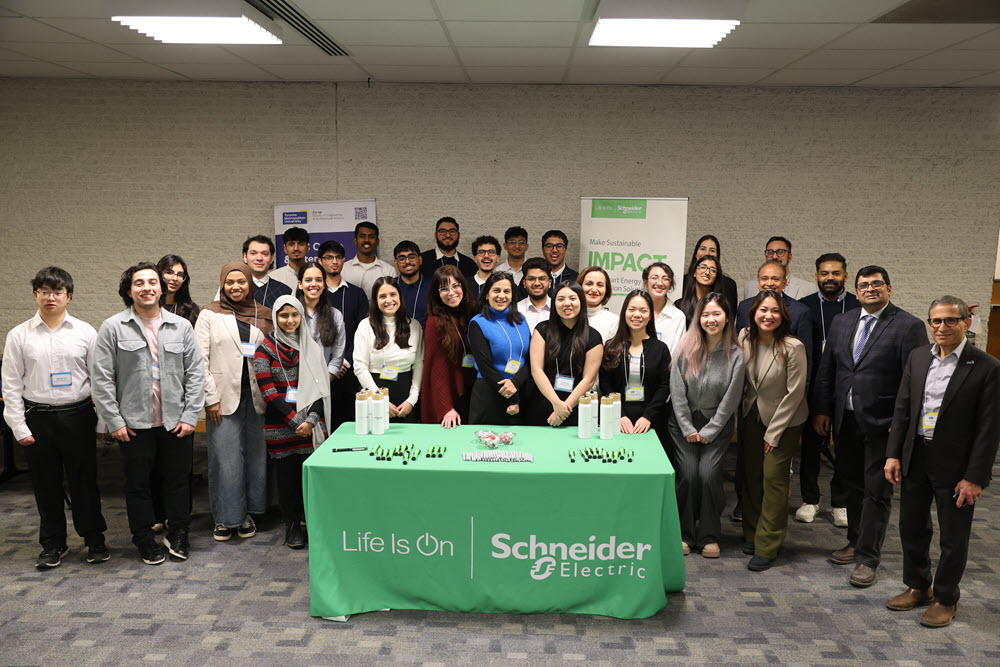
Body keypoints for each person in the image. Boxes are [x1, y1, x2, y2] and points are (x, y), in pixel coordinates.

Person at [882, 296, 1000, 627]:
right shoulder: (919, 357)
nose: (942, 327)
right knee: (912, 526)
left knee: (953, 534)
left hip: (957, 464)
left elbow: (989, 430)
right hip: (916, 455)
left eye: (950, 320)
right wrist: (893, 453)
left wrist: (975, 478)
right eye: (935, 321)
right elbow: (902, 409)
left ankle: (946, 598)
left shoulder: (987, 367)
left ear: (966, 323)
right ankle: (919, 586)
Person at [814, 265, 927, 588]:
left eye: (877, 284)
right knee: (852, 484)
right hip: (845, 419)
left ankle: (868, 558)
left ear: (889, 289)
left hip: (885, 425)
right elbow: (828, 370)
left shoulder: (908, 326)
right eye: (864, 285)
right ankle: (855, 541)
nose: (870, 289)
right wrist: (822, 410)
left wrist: (903, 425)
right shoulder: (842, 321)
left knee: (877, 492)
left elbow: (914, 381)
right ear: (856, 289)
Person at [91, 262, 205, 565]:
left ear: (162, 287)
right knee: (138, 484)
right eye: (139, 283)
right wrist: (113, 421)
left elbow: (196, 373)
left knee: (178, 481)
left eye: (152, 282)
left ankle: (178, 532)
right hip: (133, 423)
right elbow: (102, 379)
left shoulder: (180, 326)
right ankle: (144, 540)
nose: (147, 288)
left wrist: (190, 415)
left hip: (175, 421)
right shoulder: (113, 327)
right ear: (129, 290)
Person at [2, 267, 109, 569]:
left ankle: (94, 539)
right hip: (38, 417)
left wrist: (102, 421)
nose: (51, 297)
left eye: (57, 292)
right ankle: (53, 544)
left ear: (69, 296)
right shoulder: (19, 335)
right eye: (45, 291)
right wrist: (18, 425)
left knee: (84, 481)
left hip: (77, 415)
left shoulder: (86, 332)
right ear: (35, 294)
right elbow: (10, 384)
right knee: (45, 484)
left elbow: (99, 379)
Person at [195, 262, 272, 543]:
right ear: (222, 285)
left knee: (253, 457)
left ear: (250, 283)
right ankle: (226, 518)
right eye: (230, 282)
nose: (236, 287)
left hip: (256, 397)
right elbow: (198, 360)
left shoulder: (263, 314)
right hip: (221, 398)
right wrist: (210, 399)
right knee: (225, 459)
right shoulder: (209, 314)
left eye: (241, 282)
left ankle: (247, 513)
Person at [668, 291, 745, 559]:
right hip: (683, 424)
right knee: (688, 474)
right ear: (698, 317)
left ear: (726, 318)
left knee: (708, 474)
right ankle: (684, 534)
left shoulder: (735, 354)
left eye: (717, 314)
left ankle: (710, 535)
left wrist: (710, 430)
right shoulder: (684, 347)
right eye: (706, 314)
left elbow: (732, 398)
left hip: (718, 425)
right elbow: (677, 391)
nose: (711, 319)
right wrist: (688, 428)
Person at [739, 290, 808, 571]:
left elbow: (795, 393)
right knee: (752, 475)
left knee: (773, 479)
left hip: (785, 419)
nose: (768, 316)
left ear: (783, 316)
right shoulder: (745, 337)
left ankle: (768, 544)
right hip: (752, 413)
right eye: (763, 310)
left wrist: (773, 433)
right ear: (753, 312)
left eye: (775, 311)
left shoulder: (793, 346)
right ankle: (752, 534)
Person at [254, 296, 329, 549]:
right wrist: (295, 420)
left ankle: (313, 521)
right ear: (275, 317)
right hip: (280, 425)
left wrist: (310, 420)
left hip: (311, 425)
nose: (289, 320)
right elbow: (268, 391)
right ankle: (292, 525)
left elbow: (322, 389)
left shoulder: (312, 346)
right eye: (284, 315)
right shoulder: (264, 348)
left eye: (294, 315)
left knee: (310, 477)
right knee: (286, 478)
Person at [796, 253, 860, 526]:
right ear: (816, 276)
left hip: (847, 389)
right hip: (813, 388)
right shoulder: (803, 307)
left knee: (846, 448)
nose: (830, 278)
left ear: (845, 275)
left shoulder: (858, 306)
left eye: (835, 273)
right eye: (824, 273)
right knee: (811, 448)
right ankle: (809, 500)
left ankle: (840, 503)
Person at [528, 281, 603, 427]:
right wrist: (556, 404)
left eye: (573, 299)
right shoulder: (542, 330)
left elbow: (589, 379)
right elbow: (536, 370)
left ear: (581, 301)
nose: (567, 304)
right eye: (561, 299)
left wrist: (563, 409)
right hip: (543, 402)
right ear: (554, 303)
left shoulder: (593, 336)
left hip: (576, 406)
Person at [599, 290, 671, 438]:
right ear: (624, 312)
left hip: (651, 422)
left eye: (643, 310)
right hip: (616, 420)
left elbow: (665, 386)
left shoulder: (660, 349)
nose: (637, 315)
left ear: (650, 315)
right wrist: (619, 415)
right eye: (631, 309)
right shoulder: (611, 347)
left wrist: (647, 417)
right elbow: (606, 384)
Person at [353, 277, 424, 422]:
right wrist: (379, 400)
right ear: (375, 300)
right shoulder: (365, 326)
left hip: (406, 397)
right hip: (373, 393)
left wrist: (412, 399)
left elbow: (419, 363)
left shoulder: (414, 326)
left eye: (393, 294)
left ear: (399, 296)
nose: (389, 300)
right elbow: (360, 367)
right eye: (382, 296)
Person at [316, 239, 369, 430]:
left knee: (351, 422)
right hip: (320, 369)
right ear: (320, 261)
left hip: (351, 367)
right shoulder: (315, 293)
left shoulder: (357, 294)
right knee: (323, 422)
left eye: (338, 257)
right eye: (329, 257)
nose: (334, 261)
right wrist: (330, 364)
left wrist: (343, 361)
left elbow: (363, 331)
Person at [467, 272, 531, 425]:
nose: (501, 296)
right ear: (487, 294)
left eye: (506, 291)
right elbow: (485, 367)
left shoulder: (521, 320)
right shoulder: (478, 323)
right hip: (490, 393)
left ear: (512, 295)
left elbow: (530, 359)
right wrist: (512, 396)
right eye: (496, 290)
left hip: (519, 389)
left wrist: (515, 383)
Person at [736, 260, 815, 378]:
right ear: (758, 282)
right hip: (749, 383)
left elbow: (806, 359)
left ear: (784, 283)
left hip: (783, 384)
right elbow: (738, 349)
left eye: (775, 279)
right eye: (764, 278)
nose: (769, 283)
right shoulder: (744, 307)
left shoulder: (800, 312)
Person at [420, 266, 478, 427]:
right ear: (437, 294)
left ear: (463, 286)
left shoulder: (472, 312)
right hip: (451, 396)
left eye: (455, 286)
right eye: (444, 289)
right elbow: (436, 369)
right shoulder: (435, 321)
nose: (451, 292)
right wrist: (446, 407)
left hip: (474, 390)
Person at [296, 263, 346, 383]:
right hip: (294, 383)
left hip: (324, 383)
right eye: (308, 280)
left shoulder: (335, 315)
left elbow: (338, 354)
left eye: (318, 280)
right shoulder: (292, 314)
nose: (313, 284)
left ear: (324, 284)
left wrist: (324, 381)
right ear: (300, 284)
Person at [742, 236, 816, 300]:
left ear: (790, 257)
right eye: (770, 252)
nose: (774, 256)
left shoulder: (808, 288)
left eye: (780, 252)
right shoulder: (750, 286)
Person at [682, 234, 738, 314]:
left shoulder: (729, 285)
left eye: (712, 250)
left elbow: (730, 317)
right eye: (703, 249)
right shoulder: (683, 281)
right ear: (695, 253)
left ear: (717, 256)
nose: (707, 253)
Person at [341, 221, 398, 295]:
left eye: (371, 237)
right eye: (362, 236)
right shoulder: (343, 269)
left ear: (377, 242)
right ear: (355, 241)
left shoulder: (389, 271)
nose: (366, 240)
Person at [642, 262, 685, 355]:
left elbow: (677, 355)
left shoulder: (678, 317)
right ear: (645, 283)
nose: (659, 283)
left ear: (670, 285)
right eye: (654, 277)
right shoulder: (636, 313)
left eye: (665, 279)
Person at [240, 235, 292, 309]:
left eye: (265, 254)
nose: (259, 258)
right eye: (253, 253)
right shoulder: (232, 287)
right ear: (245, 257)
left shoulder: (285, 291)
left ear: (271, 258)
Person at [677, 255, 727, 323]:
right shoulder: (680, 305)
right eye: (703, 267)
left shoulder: (721, 305)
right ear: (694, 273)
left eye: (713, 270)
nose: (707, 272)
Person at [392, 241, 430, 327]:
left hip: (426, 337)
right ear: (396, 263)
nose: (407, 261)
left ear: (420, 260)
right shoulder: (390, 286)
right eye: (402, 258)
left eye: (412, 257)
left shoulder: (432, 286)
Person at [578, 266, 618, 343]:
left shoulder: (614, 321)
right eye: (589, 284)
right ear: (579, 286)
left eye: (600, 285)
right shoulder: (569, 317)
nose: (594, 290)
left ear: (606, 290)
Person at [157, 254, 201, 327]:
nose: (175, 278)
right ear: (159, 274)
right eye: (169, 272)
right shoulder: (149, 304)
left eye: (180, 275)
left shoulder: (191, 310)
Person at [516, 257, 552, 333]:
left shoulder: (558, 308)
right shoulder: (516, 310)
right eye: (531, 279)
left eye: (542, 278)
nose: (537, 283)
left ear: (550, 283)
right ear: (524, 283)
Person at [269, 226, 310, 290]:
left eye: (301, 244)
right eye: (291, 244)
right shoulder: (274, 277)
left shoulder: (317, 274)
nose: (296, 248)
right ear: (285, 249)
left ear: (307, 248)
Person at [468, 235, 501, 303]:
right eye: (481, 252)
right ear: (475, 258)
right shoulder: (465, 285)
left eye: (491, 252)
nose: (486, 256)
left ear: (498, 258)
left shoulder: (507, 284)